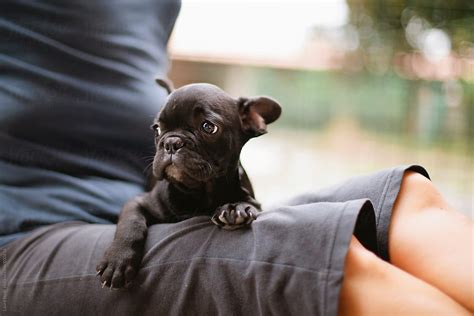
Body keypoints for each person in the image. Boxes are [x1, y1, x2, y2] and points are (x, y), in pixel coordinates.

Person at [0, 1, 472, 315]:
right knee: (305, 255)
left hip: (157, 209)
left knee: (407, 197)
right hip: (26, 232)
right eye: (163, 132)